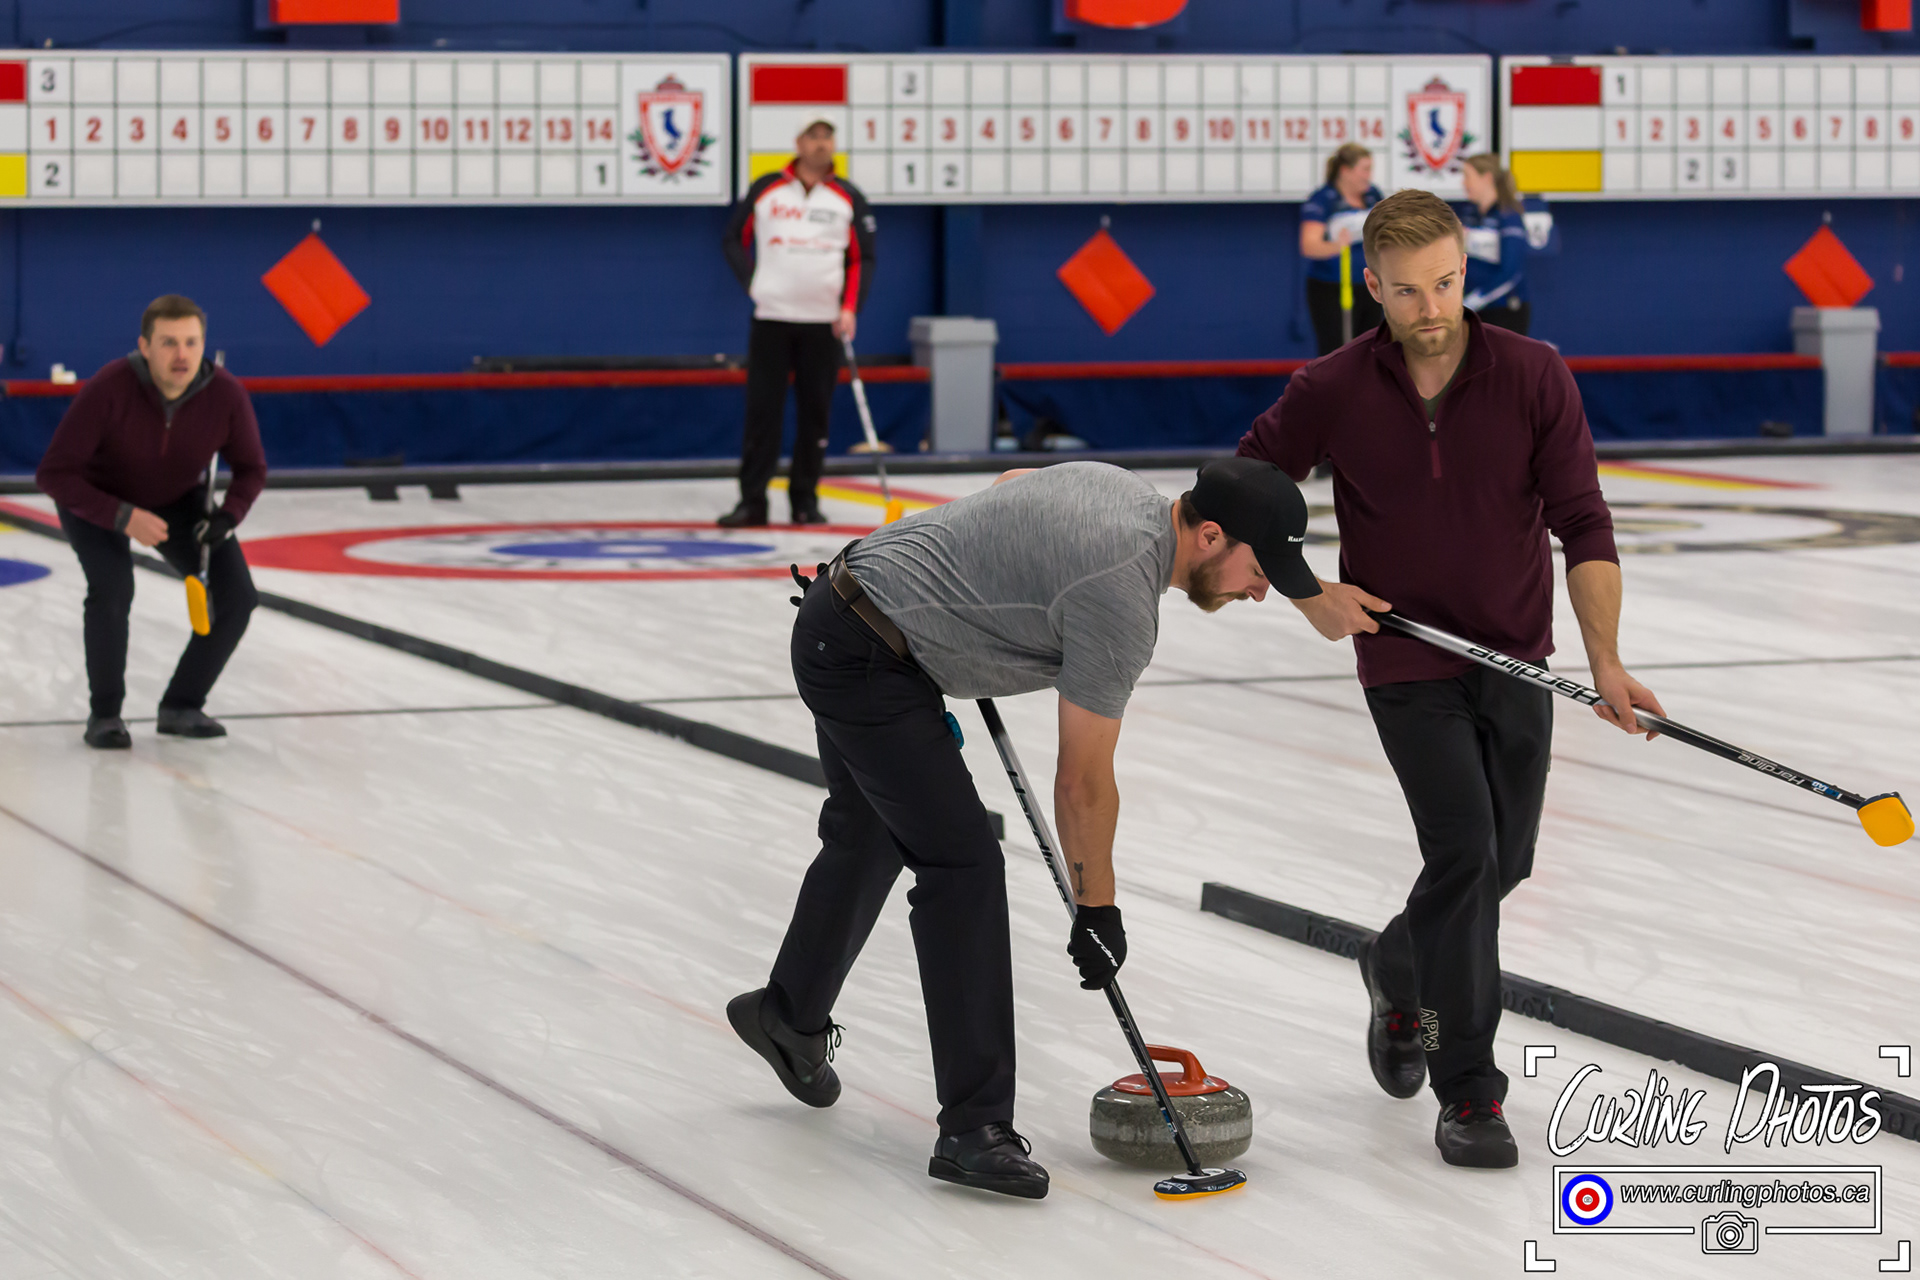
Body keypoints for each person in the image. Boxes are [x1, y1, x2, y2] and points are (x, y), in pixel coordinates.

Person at [728, 458, 1321, 1199]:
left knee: (873, 831)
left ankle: (787, 1018)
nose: (1261, 591)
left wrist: (970, 611)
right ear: (1209, 536)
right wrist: (1097, 910)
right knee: (963, 866)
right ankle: (973, 1129)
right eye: (1259, 570)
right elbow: (1082, 783)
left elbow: (1013, 484)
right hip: (866, 654)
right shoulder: (1121, 597)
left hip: (853, 610)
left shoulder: (1121, 491)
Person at [1237, 190, 1664, 1169]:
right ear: (1371, 286)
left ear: (1464, 274)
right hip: (1405, 660)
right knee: (1466, 850)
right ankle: (1467, 1085)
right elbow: (1243, 488)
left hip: (1515, 657)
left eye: (1445, 284)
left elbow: (1584, 523)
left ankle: (1396, 964)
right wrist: (1308, 593)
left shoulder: (1534, 374)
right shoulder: (1333, 386)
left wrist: (1604, 659)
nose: (1430, 308)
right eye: (1407, 291)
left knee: (1501, 864)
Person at [36, 295, 266, 749]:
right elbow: (54, 474)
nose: (182, 354)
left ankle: (182, 704)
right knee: (113, 590)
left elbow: (251, 469)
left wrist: (228, 515)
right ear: (144, 346)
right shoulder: (109, 387)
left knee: (238, 597)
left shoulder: (225, 395)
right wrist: (121, 516)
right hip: (98, 501)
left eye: (191, 342)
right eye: (169, 343)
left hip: (177, 501)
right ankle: (105, 715)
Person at [717, 120, 877, 528]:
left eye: (827, 137)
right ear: (799, 143)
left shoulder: (848, 196)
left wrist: (850, 308)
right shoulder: (767, 188)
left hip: (823, 323)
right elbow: (732, 237)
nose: (821, 144)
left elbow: (862, 257)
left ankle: (805, 499)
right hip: (772, 319)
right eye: (814, 137)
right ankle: (752, 501)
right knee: (762, 412)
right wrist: (753, 283)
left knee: (815, 413)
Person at [1299, 142, 1384, 356]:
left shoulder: (1373, 196)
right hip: (1333, 287)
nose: (1369, 176)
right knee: (1337, 351)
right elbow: (1309, 245)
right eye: (1365, 169)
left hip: (1370, 284)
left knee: (1370, 350)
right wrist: (1338, 245)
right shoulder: (1323, 199)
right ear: (1345, 171)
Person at [1460, 154, 1532, 336]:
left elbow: (1511, 271)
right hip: (1474, 310)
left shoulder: (1508, 216)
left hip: (1504, 310)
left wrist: (1476, 299)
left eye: (1467, 176)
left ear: (1487, 178)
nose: (1463, 183)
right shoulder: (1469, 215)